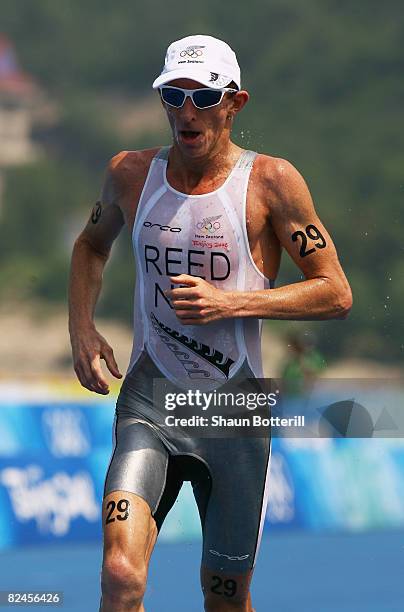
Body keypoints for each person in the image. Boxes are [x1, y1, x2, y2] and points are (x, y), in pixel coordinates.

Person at [68, 34, 352, 612]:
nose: (187, 113)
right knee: (120, 577)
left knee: (224, 598)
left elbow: (335, 292)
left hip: (234, 412)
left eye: (204, 97)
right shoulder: (129, 173)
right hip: (150, 401)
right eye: (174, 96)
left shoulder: (272, 183)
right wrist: (82, 329)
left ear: (235, 103)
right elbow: (91, 247)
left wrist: (233, 303)